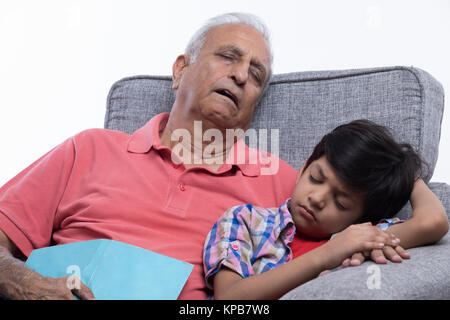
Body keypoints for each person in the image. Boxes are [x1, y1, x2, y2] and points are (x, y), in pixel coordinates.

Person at [0, 13, 447, 300]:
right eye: (227, 57)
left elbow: (367, 225)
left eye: (256, 75)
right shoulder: (89, 147)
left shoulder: (285, 186)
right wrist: (23, 283)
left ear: (255, 106)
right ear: (180, 70)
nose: (239, 75)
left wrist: (407, 168)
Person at [203, 120, 449, 300]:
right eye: (316, 178)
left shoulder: (361, 237)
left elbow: (433, 222)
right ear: (303, 168)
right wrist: (328, 254)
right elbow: (229, 299)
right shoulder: (245, 221)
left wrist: (407, 171)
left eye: (341, 203)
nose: (317, 198)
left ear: (361, 218)